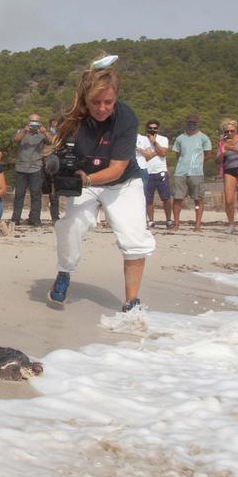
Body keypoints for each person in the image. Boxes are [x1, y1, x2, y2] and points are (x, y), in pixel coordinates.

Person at [46, 60, 156, 311]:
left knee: (133, 238)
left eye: (109, 102)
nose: (102, 108)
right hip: (84, 180)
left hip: (122, 181)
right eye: (95, 102)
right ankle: (64, 272)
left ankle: (132, 302)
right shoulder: (72, 119)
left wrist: (85, 178)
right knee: (71, 225)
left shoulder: (126, 118)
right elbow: (60, 152)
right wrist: (56, 165)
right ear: (85, 99)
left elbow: (117, 168)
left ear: (116, 96)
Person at [170, 115, 214, 233]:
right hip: (180, 172)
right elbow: (177, 154)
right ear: (186, 122)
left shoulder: (203, 138)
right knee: (177, 198)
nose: (191, 124)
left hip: (196, 173)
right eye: (189, 122)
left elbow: (209, 153)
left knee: (198, 199)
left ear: (197, 123)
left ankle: (198, 225)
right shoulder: (180, 138)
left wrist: (199, 162)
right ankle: (176, 224)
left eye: (194, 122)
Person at [9, 114, 53, 227]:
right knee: (19, 195)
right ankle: (15, 219)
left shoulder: (42, 134)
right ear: (28, 122)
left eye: (36, 121)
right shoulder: (22, 131)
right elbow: (15, 139)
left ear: (39, 123)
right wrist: (24, 130)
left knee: (36, 195)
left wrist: (45, 132)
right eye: (32, 121)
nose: (34, 123)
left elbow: (53, 141)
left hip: (36, 168)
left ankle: (35, 219)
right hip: (21, 168)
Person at [138, 117, 173, 227]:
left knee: (166, 198)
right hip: (147, 172)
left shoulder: (163, 139)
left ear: (158, 129)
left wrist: (154, 143)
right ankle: (151, 220)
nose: (153, 130)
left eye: (155, 128)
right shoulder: (142, 139)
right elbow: (144, 155)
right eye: (150, 128)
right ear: (147, 128)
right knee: (148, 199)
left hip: (161, 171)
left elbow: (163, 153)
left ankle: (168, 220)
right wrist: (153, 152)